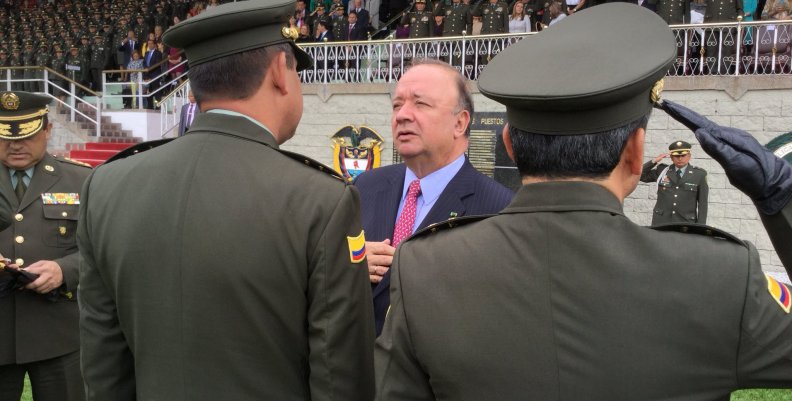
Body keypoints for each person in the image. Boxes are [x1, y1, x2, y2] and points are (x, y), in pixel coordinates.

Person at [374, 4, 792, 399]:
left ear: (510, 146)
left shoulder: (423, 270)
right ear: (635, 151)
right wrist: (781, 196)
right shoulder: (720, 277)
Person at [77, 1, 375, 400]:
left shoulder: (107, 186)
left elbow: (104, 367)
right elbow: (341, 379)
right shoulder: (321, 199)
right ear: (278, 73)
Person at [354, 59, 513, 337]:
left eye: (420, 104)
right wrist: (351, 262)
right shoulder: (366, 186)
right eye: (396, 105)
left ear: (460, 122)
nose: (402, 115)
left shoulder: (498, 210)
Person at [0, 91, 91, 401]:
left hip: (59, 335)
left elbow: (103, 250)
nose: (15, 144)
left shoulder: (82, 180)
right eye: (5, 135)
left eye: (26, 134)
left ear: (47, 129)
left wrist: (63, 269)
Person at [640, 140, 708, 225]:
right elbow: (639, 175)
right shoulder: (662, 171)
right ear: (671, 157)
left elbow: (703, 204)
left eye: (683, 155)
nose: (680, 158)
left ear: (689, 156)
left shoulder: (699, 174)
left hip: (685, 223)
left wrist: (701, 227)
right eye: (676, 156)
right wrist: (654, 161)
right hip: (661, 221)